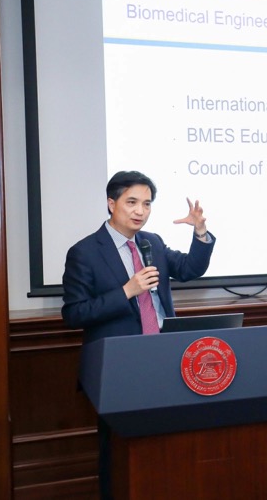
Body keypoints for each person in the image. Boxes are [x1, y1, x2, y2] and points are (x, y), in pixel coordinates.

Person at [61, 170, 215, 499]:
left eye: (146, 204)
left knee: (165, 441)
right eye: (131, 202)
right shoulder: (84, 252)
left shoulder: (152, 242)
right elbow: (74, 313)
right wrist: (126, 291)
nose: (140, 211)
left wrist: (200, 232)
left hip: (165, 356)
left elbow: (189, 269)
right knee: (118, 448)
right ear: (111, 203)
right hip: (117, 365)